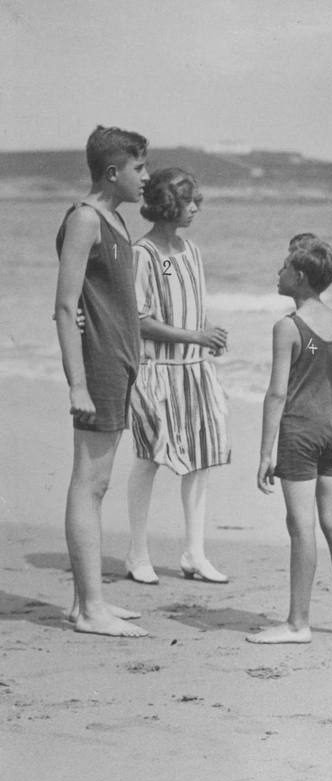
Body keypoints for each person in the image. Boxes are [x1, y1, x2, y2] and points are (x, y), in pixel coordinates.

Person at [54, 125, 149, 637]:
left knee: (99, 484)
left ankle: (85, 602)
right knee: (88, 484)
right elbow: (66, 307)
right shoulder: (87, 219)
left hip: (118, 363)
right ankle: (90, 608)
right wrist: (76, 383)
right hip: (98, 367)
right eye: (140, 168)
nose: (146, 178)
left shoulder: (113, 219)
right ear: (113, 172)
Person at [248, 239, 332, 644]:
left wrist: (266, 452)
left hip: (300, 431)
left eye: (283, 268)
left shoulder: (288, 326)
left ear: (299, 277)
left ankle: (298, 623)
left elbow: (277, 393)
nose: (277, 273)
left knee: (301, 527)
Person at [124, 168, 231, 585]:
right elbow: (139, 320)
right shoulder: (142, 253)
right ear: (168, 204)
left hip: (194, 370)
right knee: (149, 456)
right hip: (156, 372)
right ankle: (137, 552)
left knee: (201, 460)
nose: (195, 209)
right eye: (188, 202)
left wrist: (208, 340)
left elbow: (193, 308)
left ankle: (194, 553)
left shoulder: (192, 251)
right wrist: (197, 336)